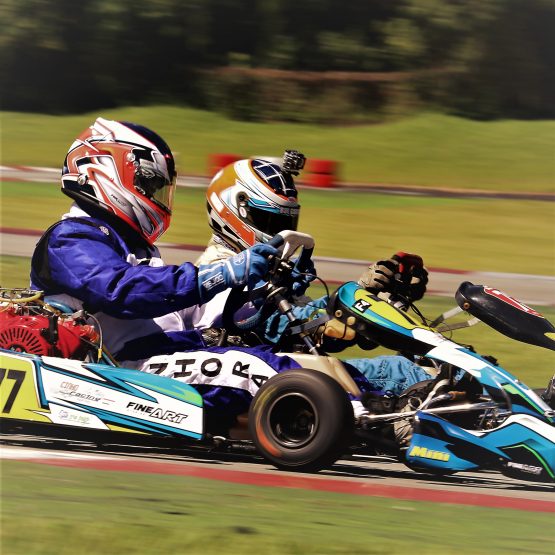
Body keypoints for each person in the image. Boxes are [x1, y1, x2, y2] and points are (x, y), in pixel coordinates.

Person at [29, 118, 308, 433]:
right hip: (117, 371)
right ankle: (342, 415)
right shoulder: (70, 239)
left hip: (156, 357)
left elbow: (184, 313)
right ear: (101, 171)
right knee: (257, 369)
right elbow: (123, 291)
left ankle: (349, 404)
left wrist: (260, 304)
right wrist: (217, 274)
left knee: (293, 361)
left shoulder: (132, 246)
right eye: (148, 184)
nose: (154, 194)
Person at [195, 152, 436, 414]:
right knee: (405, 373)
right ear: (234, 211)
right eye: (271, 222)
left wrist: (377, 297)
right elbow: (281, 325)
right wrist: (349, 307)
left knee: (423, 364)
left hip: (291, 369)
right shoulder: (221, 269)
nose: (281, 234)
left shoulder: (262, 267)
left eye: (286, 223)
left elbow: (310, 327)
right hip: (261, 382)